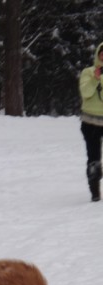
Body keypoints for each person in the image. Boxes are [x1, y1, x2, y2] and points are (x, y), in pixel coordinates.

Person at [79, 41, 103, 202]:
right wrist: (95, 78)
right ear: (98, 54)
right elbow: (85, 93)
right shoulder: (88, 72)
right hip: (90, 122)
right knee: (94, 158)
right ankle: (94, 189)